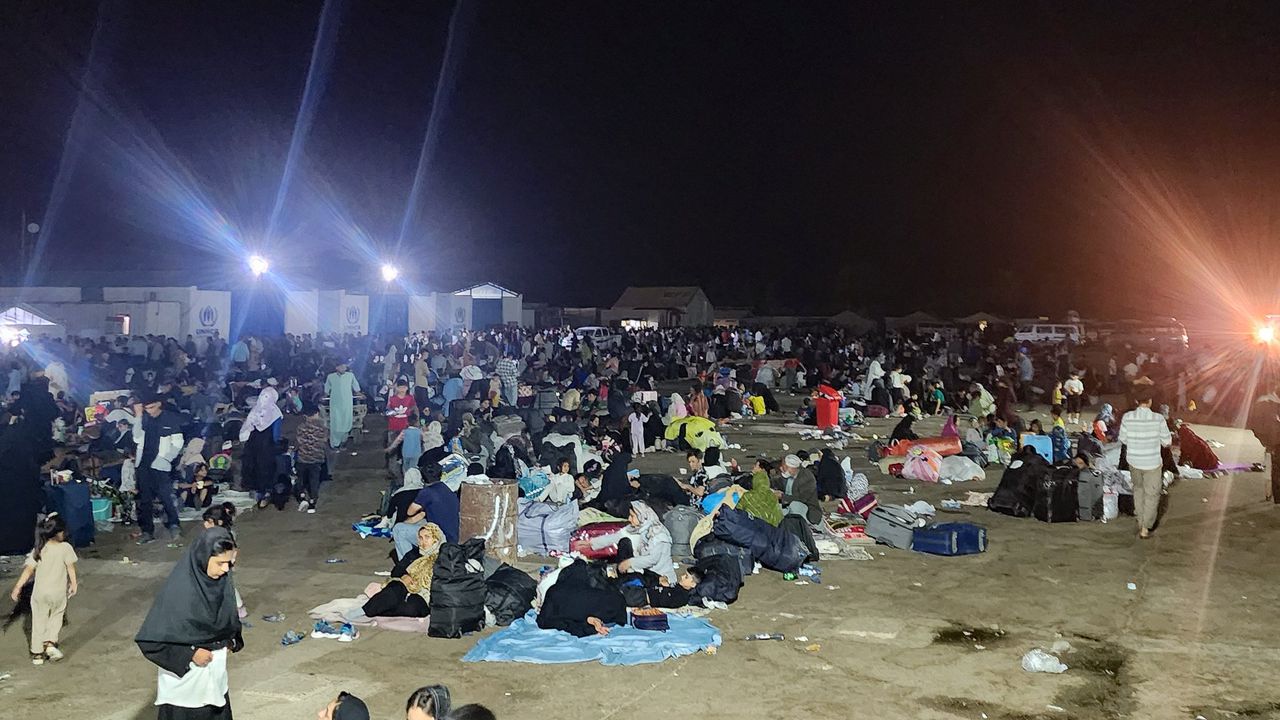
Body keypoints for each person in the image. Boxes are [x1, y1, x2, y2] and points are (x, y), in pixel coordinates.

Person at [135, 527, 243, 719]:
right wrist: (190, 653)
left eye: (229, 563)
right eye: (220, 563)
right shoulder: (179, 592)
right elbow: (150, 641)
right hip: (184, 690)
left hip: (215, 681)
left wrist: (229, 641)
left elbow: (228, 621)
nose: (226, 569)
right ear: (203, 558)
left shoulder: (221, 583)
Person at [10, 513, 77, 665]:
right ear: (60, 532)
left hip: (40, 593)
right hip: (58, 593)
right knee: (57, 616)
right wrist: (73, 584)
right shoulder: (65, 548)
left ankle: (37, 653)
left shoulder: (39, 549)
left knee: (38, 621)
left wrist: (17, 587)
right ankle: (50, 643)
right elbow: (70, 567)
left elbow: (28, 570)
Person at [133, 392, 185, 544]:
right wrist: (138, 417)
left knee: (166, 497)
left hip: (160, 464)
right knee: (145, 500)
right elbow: (136, 437)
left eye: (151, 407)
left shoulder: (169, 418)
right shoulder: (143, 418)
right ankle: (147, 531)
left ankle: (174, 525)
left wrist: (166, 459)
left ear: (159, 404)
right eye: (146, 408)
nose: (149, 411)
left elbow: (178, 442)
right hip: (143, 464)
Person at [1118, 392, 1172, 539]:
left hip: (1134, 461)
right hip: (1152, 463)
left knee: (1138, 491)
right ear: (1150, 401)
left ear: (1137, 401)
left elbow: (1123, 439)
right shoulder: (1158, 419)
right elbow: (1167, 442)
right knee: (1151, 495)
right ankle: (1145, 528)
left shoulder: (1127, 417)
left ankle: (1140, 520)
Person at [362, 523, 445, 618]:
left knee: (411, 608)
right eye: (421, 538)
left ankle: (373, 610)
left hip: (424, 595)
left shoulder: (443, 558)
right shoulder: (414, 553)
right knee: (395, 590)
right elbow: (396, 571)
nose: (423, 541)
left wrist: (420, 583)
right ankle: (363, 611)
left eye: (427, 537)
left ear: (436, 538)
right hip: (405, 587)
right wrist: (405, 575)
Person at [589, 500, 676, 583]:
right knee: (624, 542)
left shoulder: (659, 534)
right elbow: (616, 536)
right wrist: (590, 543)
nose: (629, 519)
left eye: (632, 516)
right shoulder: (639, 528)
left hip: (659, 576)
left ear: (642, 516)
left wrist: (629, 562)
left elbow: (652, 559)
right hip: (643, 571)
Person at [537, 559, 628, 637]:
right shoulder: (597, 595)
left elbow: (544, 621)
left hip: (564, 614)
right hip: (602, 610)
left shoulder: (553, 590)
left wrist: (587, 625)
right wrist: (588, 623)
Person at [392, 464, 460, 558]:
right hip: (453, 536)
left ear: (422, 478)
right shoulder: (446, 488)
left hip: (441, 539)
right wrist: (406, 523)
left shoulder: (427, 492)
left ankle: (409, 564)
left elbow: (410, 512)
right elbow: (420, 516)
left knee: (398, 530)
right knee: (411, 525)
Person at [240, 388, 284, 510]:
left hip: (252, 444)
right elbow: (275, 435)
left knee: (254, 466)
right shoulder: (275, 413)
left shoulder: (255, 410)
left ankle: (255, 491)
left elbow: (247, 428)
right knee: (266, 468)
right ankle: (266, 492)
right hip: (267, 446)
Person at [294, 402, 328, 513]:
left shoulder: (301, 427)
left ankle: (302, 496)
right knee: (314, 481)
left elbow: (298, 441)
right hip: (316, 458)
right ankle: (312, 502)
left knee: (301, 479)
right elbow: (324, 441)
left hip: (302, 458)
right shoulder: (322, 428)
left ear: (305, 415)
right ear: (317, 413)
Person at [773, 454, 822, 524]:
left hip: (808, 510)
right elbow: (777, 484)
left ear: (792, 468)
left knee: (794, 505)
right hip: (787, 507)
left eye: (784, 467)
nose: (781, 468)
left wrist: (782, 496)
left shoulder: (806, 477)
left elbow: (802, 498)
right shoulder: (789, 476)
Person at [325, 360, 361, 449]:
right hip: (335, 405)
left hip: (347, 404)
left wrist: (360, 394)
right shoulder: (330, 377)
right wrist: (323, 397)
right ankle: (335, 444)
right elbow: (326, 391)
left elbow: (356, 388)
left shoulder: (350, 376)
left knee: (346, 423)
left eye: (345, 366)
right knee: (335, 424)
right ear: (336, 367)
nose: (344, 368)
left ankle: (343, 442)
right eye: (341, 367)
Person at [385, 380, 417, 477]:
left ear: (407, 388)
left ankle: (406, 472)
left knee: (406, 450)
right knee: (393, 450)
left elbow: (414, 409)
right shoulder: (392, 399)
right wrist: (392, 412)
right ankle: (392, 472)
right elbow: (387, 411)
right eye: (400, 387)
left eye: (404, 387)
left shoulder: (410, 398)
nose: (402, 389)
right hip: (393, 427)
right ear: (396, 388)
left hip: (406, 428)